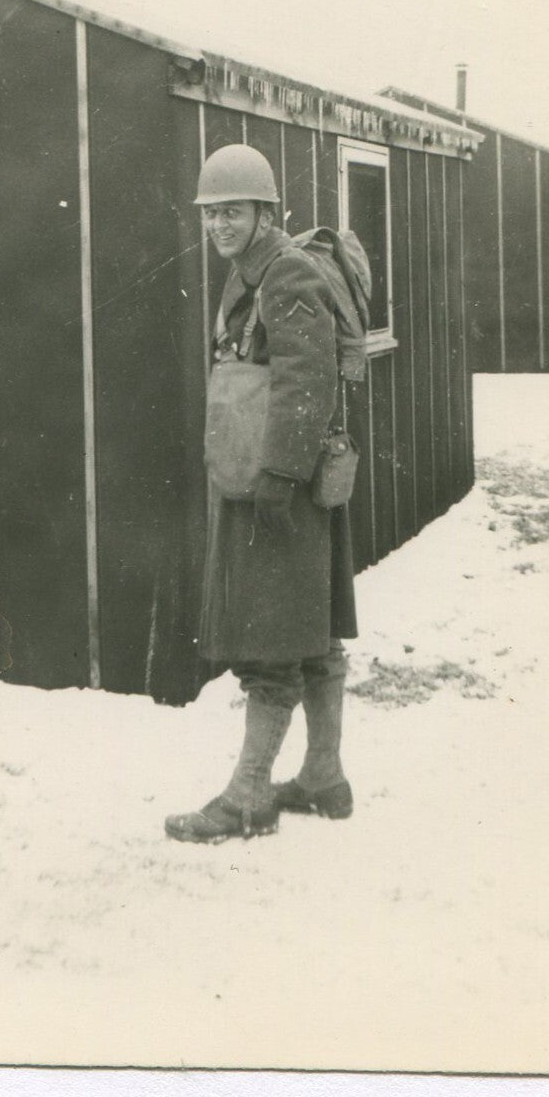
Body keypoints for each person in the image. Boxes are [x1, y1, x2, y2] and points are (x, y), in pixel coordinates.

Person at [165, 143, 358, 845]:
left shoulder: (286, 274)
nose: (218, 226)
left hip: (280, 488)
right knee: (308, 632)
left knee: (271, 637)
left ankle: (249, 796)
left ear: (263, 212)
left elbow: (308, 381)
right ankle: (322, 776)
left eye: (232, 212)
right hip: (271, 482)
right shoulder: (250, 270)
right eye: (211, 214)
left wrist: (277, 477)